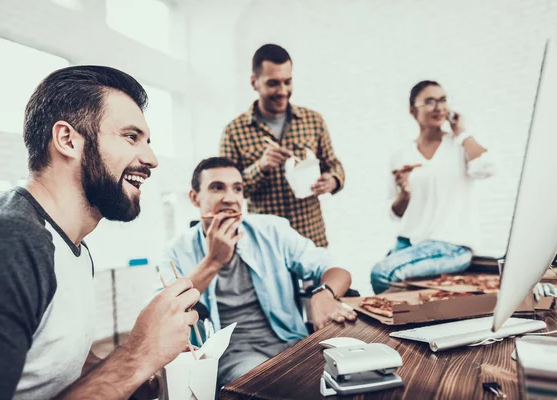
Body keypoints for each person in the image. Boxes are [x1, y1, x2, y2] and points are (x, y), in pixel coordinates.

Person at [0, 66, 200, 400]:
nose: (152, 159)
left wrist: (144, 377)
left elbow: (55, 361)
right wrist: (137, 356)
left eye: (148, 142)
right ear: (68, 140)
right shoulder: (3, 242)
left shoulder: (71, 246)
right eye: (131, 137)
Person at [158, 157, 356, 387]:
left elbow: (336, 271)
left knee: (349, 374)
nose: (229, 198)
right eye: (217, 187)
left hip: (292, 341)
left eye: (237, 189)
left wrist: (324, 293)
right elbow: (163, 313)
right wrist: (213, 261)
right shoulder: (175, 250)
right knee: (271, 385)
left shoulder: (272, 230)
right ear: (194, 198)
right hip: (235, 355)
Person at [370, 80, 497, 294]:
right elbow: (395, 214)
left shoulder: (458, 146)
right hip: (409, 243)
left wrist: (462, 133)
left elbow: (487, 167)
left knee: (381, 274)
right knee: (385, 288)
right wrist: (404, 193)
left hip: (451, 246)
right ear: (412, 110)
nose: (438, 107)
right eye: (429, 101)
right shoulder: (401, 156)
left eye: (442, 100)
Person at [220, 44, 345, 248]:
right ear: (254, 82)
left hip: (311, 239)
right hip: (266, 244)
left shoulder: (314, 121)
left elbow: (334, 164)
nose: (283, 91)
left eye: (287, 82)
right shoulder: (233, 132)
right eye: (273, 83)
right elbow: (228, 193)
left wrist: (333, 180)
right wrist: (260, 167)